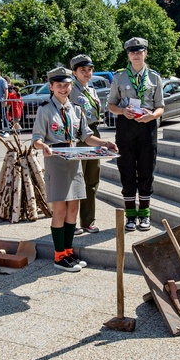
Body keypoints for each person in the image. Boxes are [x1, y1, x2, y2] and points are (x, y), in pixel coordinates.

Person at [31, 67, 117, 272]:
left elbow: (86, 136)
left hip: (75, 160)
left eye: (66, 85)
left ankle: (68, 252)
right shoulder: (45, 109)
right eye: (59, 85)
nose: (63, 88)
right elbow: (36, 139)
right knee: (60, 210)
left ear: (71, 86)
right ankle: (59, 255)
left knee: (73, 209)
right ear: (51, 86)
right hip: (57, 161)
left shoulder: (76, 109)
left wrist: (104, 143)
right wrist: (42, 146)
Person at [107, 37, 164, 232]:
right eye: (132, 52)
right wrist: (122, 111)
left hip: (147, 129)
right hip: (126, 127)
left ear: (145, 52)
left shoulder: (155, 77)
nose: (136, 55)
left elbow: (160, 107)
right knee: (127, 172)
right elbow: (111, 105)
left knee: (147, 172)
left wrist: (152, 116)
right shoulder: (119, 77)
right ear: (128, 55)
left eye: (139, 51)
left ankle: (145, 215)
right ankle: (130, 215)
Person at [70, 54, 104, 234]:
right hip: (77, 136)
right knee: (75, 180)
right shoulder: (70, 90)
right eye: (82, 70)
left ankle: (88, 221)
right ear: (74, 72)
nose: (87, 73)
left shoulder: (90, 89)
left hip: (93, 132)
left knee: (91, 179)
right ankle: (71, 222)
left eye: (89, 69)